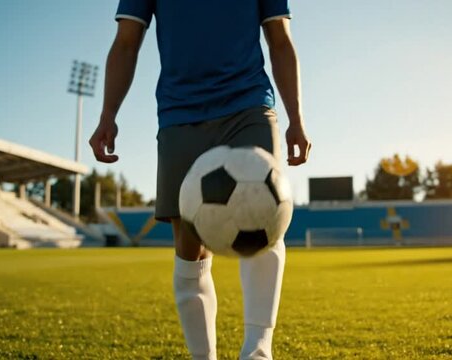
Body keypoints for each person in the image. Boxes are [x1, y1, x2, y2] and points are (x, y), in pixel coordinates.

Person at [89, 1, 311, 359]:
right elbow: (127, 42)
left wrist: (296, 119)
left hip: (249, 102)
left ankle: (257, 350)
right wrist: (107, 114)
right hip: (180, 113)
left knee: (266, 217)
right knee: (189, 245)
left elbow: (280, 40)